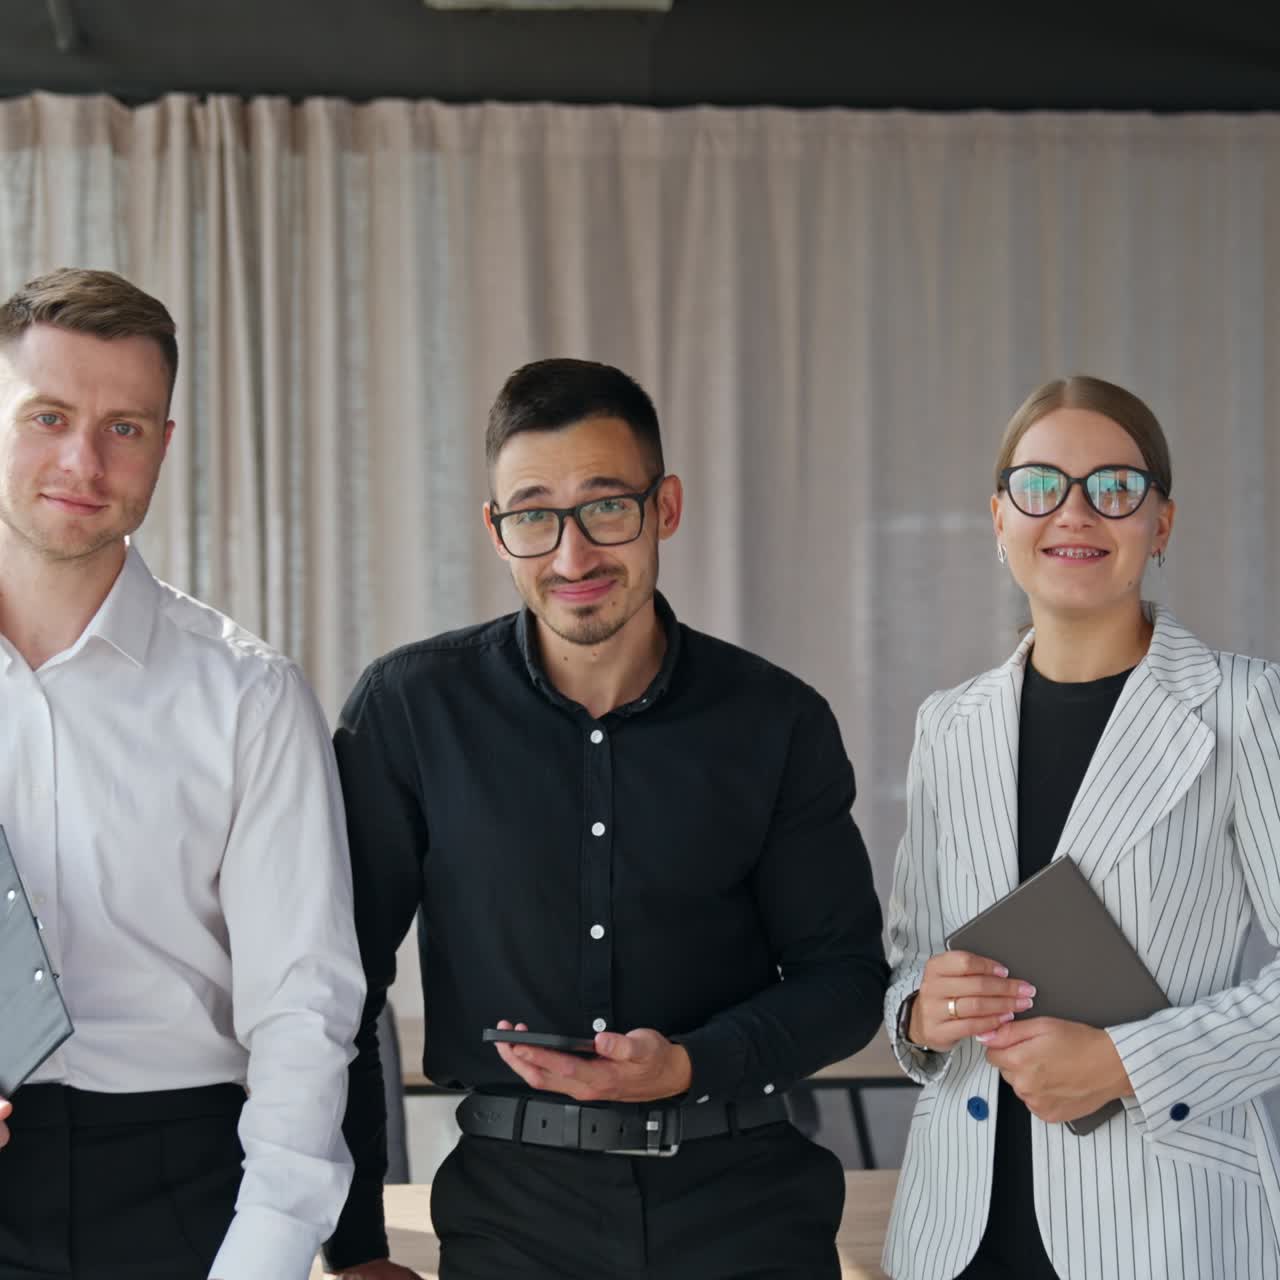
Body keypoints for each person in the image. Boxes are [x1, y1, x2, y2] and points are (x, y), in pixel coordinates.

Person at [322, 357, 889, 1280]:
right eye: (534, 514)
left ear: (664, 507)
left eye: (605, 507)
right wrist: (354, 1245)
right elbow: (335, 988)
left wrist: (692, 1065)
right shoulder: (410, 711)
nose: (572, 555)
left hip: (748, 1216)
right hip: (511, 1223)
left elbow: (845, 979)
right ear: (496, 532)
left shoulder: (777, 721)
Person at [0, 267, 365, 1280]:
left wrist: (264, 1256)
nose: (82, 458)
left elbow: (305, 1008)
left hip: (179, 1190)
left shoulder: (250, 697)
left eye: (124, 427)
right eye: (48, 414)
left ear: (163, 444)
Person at [881, 375, 1280, 1280]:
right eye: (1039, 486)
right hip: (959, 1228)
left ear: (1161, 525)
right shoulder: (950, 725)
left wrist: (1126, 1062)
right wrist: (920, 1010)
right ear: (998, 519)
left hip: (1163, 1227)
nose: (1075, 513)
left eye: (1114, 488)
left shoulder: (1248, 710)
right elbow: (906, 957)